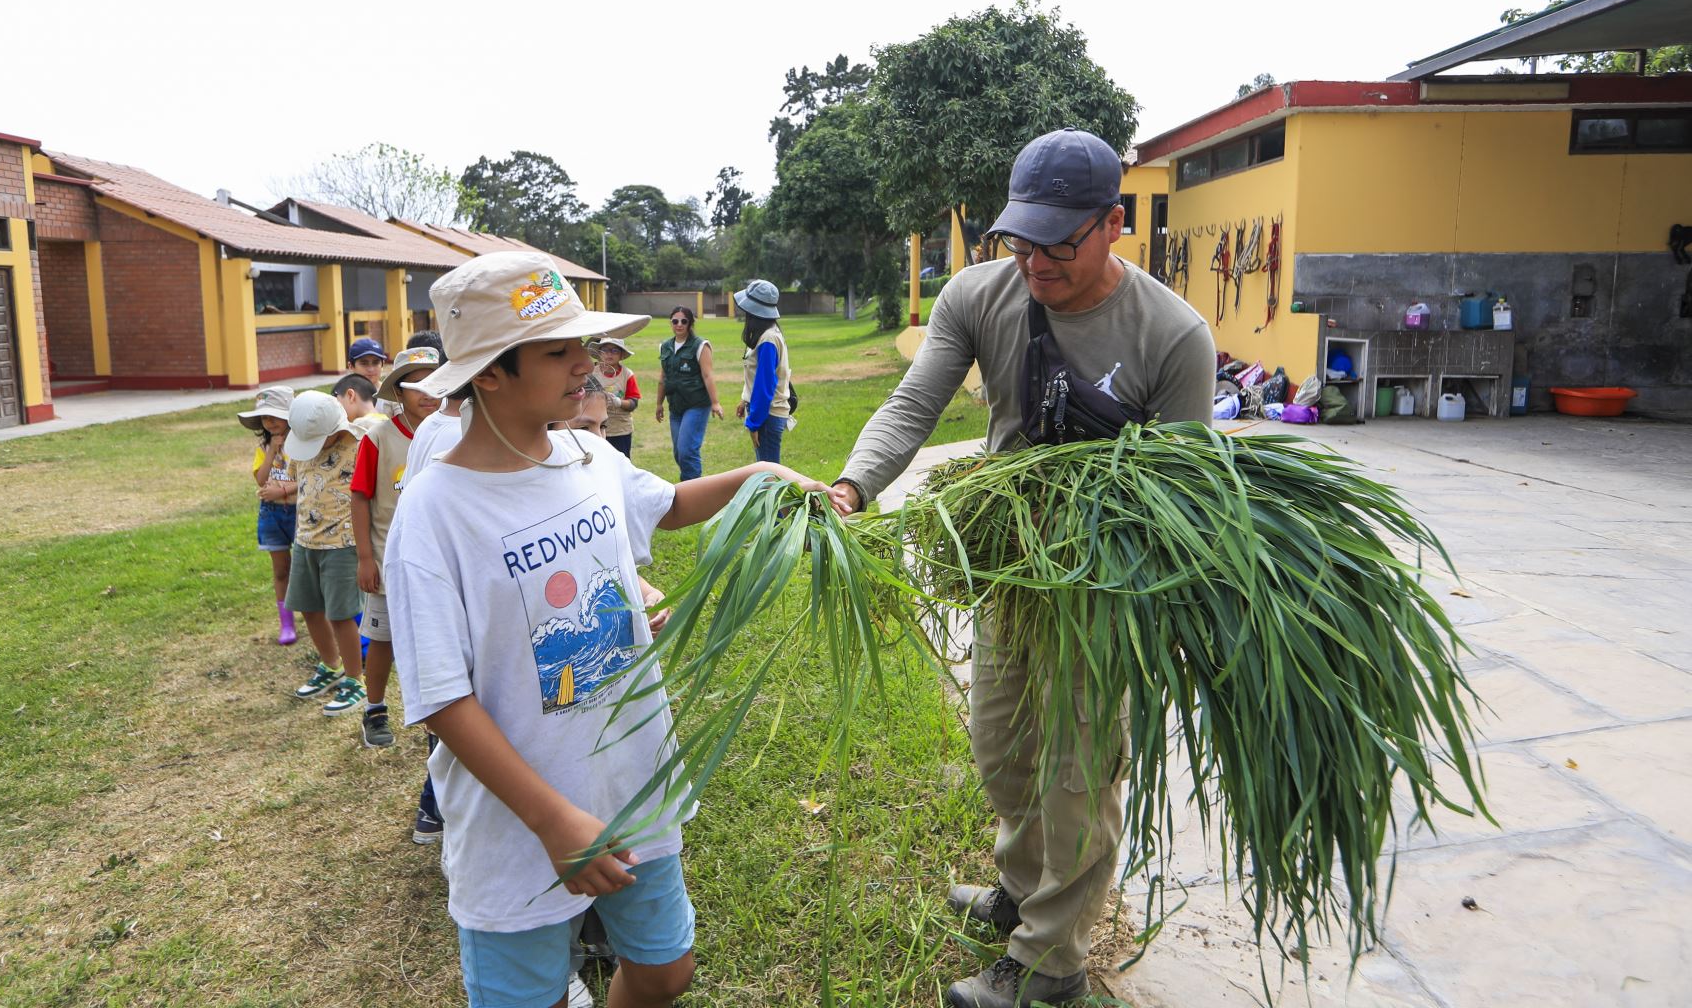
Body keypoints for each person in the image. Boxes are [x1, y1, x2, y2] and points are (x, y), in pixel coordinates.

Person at [383, 253, 838, 1008]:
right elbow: (439, 697)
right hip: (518, 821)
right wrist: (552, 819)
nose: (586, 366)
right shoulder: (436, 513)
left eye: (583, 346)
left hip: (633, 780)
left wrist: (763, 479)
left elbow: (670, 506)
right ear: (489, 373)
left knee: (665, 969)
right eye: (558, 351)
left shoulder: (588, 455)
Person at [832, 128, 1216, 1008]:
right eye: (1020, 238)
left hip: (1105, 584)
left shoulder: (1173, 335)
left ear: (1112, 224)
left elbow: (1183, 493)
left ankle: (1050, 962)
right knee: (1003, 749)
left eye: (1058, 241)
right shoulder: (978, 295)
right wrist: (853, 487)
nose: (1034, 261)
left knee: (1079, 770)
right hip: (1013, 569)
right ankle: (1021, 886)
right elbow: (913, 403)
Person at [350, 345, 443, 749]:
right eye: (414, 385)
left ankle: (439, 720)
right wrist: (366, 558)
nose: (426, 392)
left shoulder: (455, 432)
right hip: (389, 562)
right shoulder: (378, 439)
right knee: (384, 638)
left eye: (434, 382)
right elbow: (359, 497)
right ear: (397, 393)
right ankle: (374, 709)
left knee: (435, 641)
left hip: (437, 564)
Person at [283, 390, 372, 716]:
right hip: (305, 540)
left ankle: (355, 680)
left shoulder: (362, 441)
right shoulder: (303, 442)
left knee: (340, 614)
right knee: (308, 607)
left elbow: (379, 419)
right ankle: (331, 665)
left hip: (342, 546)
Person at [238, 385, 300, 645]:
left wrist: (283, 490)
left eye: (275, 415)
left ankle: (319, 614)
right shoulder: (264, 446)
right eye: (265, 417)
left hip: (300, 510)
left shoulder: (304, 443)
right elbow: (261, 479)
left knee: (308, 567)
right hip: (271, 514)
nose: (270, 421)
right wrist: (273, 450)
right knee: (281, 569)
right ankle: (286, 623)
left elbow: (310, 478)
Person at [653, 306, 721, 481]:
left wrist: (715, 403)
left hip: (697, 405)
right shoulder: (665, 346)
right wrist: (659, 403)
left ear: (690, 323)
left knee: (687, 450)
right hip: (676, 407)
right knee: (678, 452)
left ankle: (692, 491)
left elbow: (708, 375)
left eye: (684, 321)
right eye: (675, 321)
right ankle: (692, 486)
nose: (679, 324)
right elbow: (663, 377)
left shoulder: (700, 346)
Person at [731, 280, 794, 463]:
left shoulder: (767, 339)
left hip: (768, 416)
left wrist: (754, 423)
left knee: (769, 479)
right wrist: (745, 400)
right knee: (768, 474)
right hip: (768, 414)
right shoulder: (769, 333)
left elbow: (765, 384)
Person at [589, 339, 642, 458]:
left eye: (614, 351)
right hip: (595, 429)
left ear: (621, 355)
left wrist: (619, 402)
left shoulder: (627, 375)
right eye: (605, 350)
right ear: (599, 353)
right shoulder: (591, 373)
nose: (609, 354)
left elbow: (633, 403)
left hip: (620, 430)